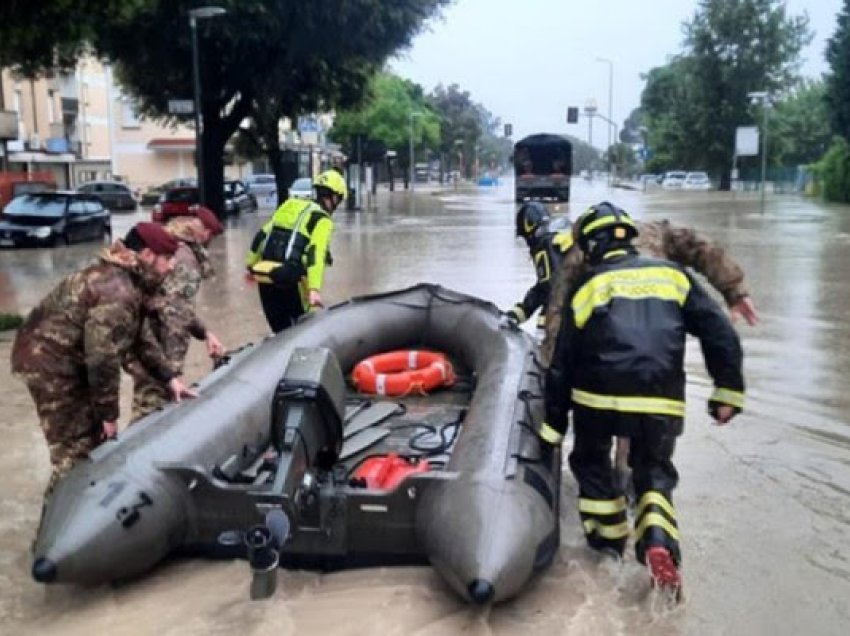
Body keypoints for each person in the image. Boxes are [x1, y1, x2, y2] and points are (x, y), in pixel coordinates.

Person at [541, 202, 745, 598]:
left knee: (590, 462)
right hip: (659, 399)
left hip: (598, 398)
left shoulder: (586, 280)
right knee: (653, 472)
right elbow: (720, 334)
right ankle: (655, 537)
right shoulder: (675, 274)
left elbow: (560, 355)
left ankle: (607, 552)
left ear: (589, 243)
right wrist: (727, 391)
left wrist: (552, 425)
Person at [10, 223, 194, 497]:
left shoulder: (129, 280)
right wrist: (109, 415)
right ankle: (61, 525)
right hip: (50, 365)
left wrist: (170, 378)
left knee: (93, 440)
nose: (170, 268)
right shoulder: (118, 290)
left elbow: (140, 338)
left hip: (67, 358)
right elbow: (102, 357)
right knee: (75, 452)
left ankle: (87, 502)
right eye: (166, 260)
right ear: (146, 255)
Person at [542, 213, 758, 366]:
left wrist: (552, 371)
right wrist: (734, 290)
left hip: (611, 345)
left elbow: (557, 314)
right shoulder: (656, 232)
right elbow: (699, 246)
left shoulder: (577, 254)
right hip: (662, 341)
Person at [124, 210, 225, 422]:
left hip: (145, 340)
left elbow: (170, 302)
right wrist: (173, 372)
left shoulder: (171, 247)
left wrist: (205, 332)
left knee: (147, 399)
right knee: (152, 406)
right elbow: (174, 315)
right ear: (205, 233)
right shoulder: (187, 260)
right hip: (155, 346)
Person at [246, 169, 346, 332]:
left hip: (266, 278)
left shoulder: (289, 206)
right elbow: (316, 253)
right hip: (291, 281)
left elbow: (260, 236)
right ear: (333, 197)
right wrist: (314, 289)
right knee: (304, 332)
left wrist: (250, 266)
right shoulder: (322, 219)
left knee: (280, 335)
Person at [504, 202, 575, 332]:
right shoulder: (562, 238)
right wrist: (519, 313)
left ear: (528, 230)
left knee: (543, 325)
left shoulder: (545, 245)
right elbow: (542, 287)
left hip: (566, 318)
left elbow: (549, 288)